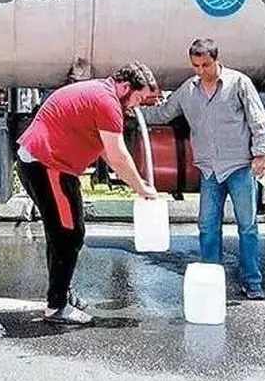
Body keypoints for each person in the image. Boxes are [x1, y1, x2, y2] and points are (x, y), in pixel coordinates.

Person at [16, 61, 160, 325]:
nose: (136, 106)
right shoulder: (107, 102)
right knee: (68, 234)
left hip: (50, 165)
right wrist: (141, 187)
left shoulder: (103, 95)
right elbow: (117, 156)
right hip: (48, 165)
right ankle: (57, 306)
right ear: (125, 86)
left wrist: (136, 184)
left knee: (62, 232)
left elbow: (106, 150)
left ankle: (61, 293)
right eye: (138, 98)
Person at [139, 38, 265, 299]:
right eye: (196, 65)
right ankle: (213, 279)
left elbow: (258, 120)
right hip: (209, 169)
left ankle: (253, 283)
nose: (200, 70)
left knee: (247, 226)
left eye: (205, 65)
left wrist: (261, 155)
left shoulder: (238, 83)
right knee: (208, 226)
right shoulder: (188, 90)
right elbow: (164, 113)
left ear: (216, 59)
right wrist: (133, 112)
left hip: (239, 167)